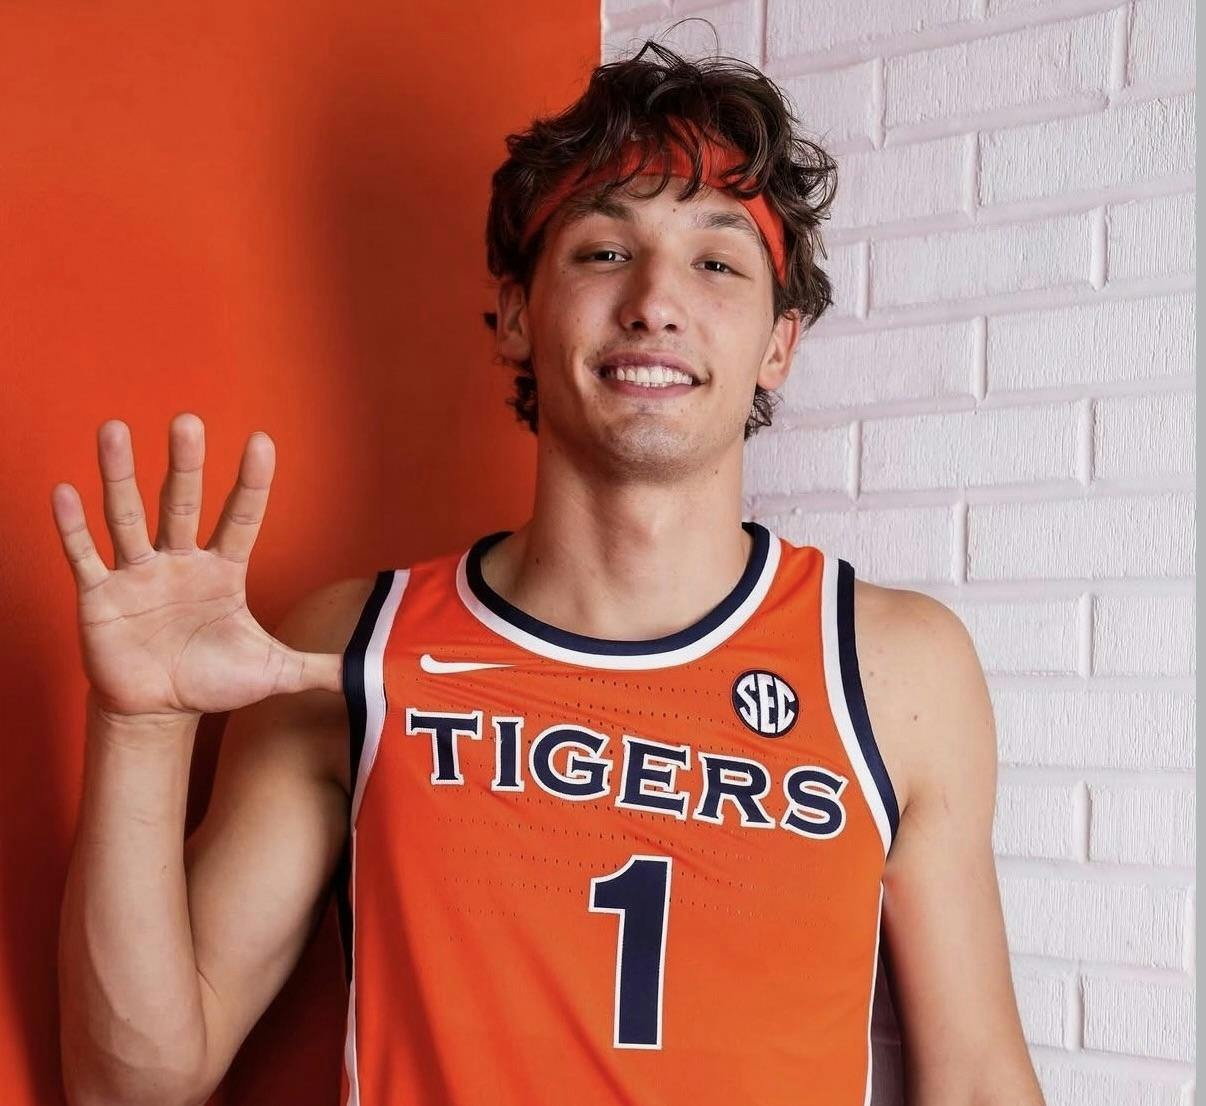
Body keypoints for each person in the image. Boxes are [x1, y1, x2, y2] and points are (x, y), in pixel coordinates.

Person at [54, 38, 1046, 1106]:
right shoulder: (347, 651)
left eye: (717, 261)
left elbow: (981, 1079)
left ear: (778, 343)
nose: (656, 300)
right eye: (604, 251)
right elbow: (131, 1087)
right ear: (518, 316)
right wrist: (142, 730)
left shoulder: (896, 671)